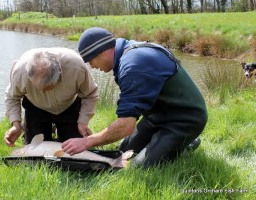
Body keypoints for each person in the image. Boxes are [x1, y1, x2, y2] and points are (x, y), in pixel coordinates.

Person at [61, 27, 208, 168]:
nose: (91, 66)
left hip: (184, 120)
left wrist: (87, 142)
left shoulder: (133, 65)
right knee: (123, 152)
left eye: (90, 60)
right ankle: (168, 142)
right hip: (157, 115)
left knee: (137, 168)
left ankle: (187, 143)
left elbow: (126, 125)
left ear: (101, 52)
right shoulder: (126, 53)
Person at [4, 47, 99, 146]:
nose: (43, 91)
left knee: (74, 147)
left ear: (59, 74)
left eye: (47, 87)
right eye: (38, 88)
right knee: (34, 148)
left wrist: (83, 121)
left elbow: (90, 94)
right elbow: (12, 97)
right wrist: (16, 125)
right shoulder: (19, 72)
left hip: (69, 106)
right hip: (36, 107)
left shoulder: (76, 67)